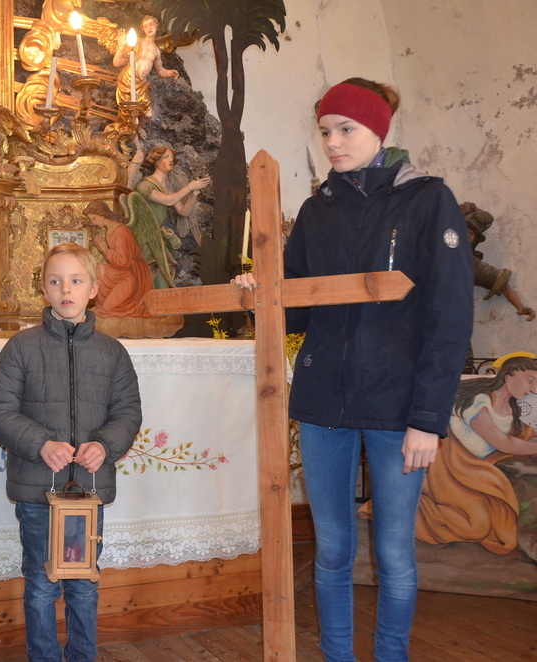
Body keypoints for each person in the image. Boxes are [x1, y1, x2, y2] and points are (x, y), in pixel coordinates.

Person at [234, 78, 474, 662]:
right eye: (325, 132)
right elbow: (294, 309)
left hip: (398, 407)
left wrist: (428, 419)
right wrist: (259, 294)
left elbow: (450, 318)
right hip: (325, 404)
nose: (333, 143)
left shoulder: (428, 201)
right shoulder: (317, 211)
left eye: (346, 130)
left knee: (393, 554)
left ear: (378, 131)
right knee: (334, 551)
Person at [0, 242, 142, 662]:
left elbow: (128, 413)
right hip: (38, 493)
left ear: (93, 289)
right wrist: (41, 444)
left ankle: (83, 656)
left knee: (84, 583)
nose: (65, 289)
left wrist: (104, 445)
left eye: (75, 280)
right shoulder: (21, 347)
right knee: (40, 583)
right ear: (44, 288)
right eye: (55, 281)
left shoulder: (112, 352)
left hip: (87, 493)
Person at [417, 353, 537, 555]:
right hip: (452, 468)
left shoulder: (510, 409)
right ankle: (412, 509)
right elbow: (503, 443)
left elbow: (521, 435)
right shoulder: (480, 402)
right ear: (509, 375)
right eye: (529, 380)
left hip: (476, 467)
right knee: (475, 527)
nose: (532, 389)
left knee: (491, 523)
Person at [123, 144, 209, 288]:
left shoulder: (167, 189)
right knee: (150, 276)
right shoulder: (145, 185)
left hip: (157, 238)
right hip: (144, 239)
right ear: (156, 161)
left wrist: (193, 194)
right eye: (166, 157)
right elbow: (168, 201)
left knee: (162, 277)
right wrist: (189, 187)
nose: (170, 159)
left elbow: (183, 212)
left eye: (171, 157)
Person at [83, 200, 153, 318]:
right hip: (123, 271)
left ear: (102, 215)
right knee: (97, 269)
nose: (93, 223)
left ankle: (111, 306)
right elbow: (117, 261)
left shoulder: (121, 232)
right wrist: (104, 250)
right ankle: (106, 304)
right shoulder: (110, 230)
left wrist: (105, 249)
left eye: (94, 219)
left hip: (134, 275)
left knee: (106, 306)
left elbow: (123, 262)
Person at [111, 15, 178, 122]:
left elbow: (160, 70)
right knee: (128, 114)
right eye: (145, 26)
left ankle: (138, 128)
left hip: (141, 85)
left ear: (157, 25)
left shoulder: (156, 50)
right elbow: (117, 63)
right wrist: (121, 47)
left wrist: (170, 72)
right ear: (142, 29)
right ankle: (132, 132)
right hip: (127, 81)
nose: (149, 28)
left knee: (148, 115)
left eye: (151, 24)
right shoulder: (135, 43)